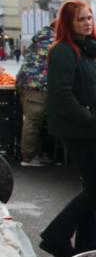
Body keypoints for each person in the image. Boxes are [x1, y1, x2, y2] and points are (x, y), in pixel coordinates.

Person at [39, 0, 96, 257]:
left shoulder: (88, 50)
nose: (87, 22)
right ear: (68, 23)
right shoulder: (63, 51)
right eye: (81, 19)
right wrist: (94, 119)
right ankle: (56, 236)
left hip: (94, 128)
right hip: (79, 129)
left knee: (92, 185)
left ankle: (88, 242)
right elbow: (61, 98)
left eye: (89, 17)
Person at [16, 21, 57, 167]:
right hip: (37, 85)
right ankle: (29, 156)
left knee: (33, 119)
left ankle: (35, 154)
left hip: (27, 83)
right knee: (33, 120)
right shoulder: (54, 41)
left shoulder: (40, 39)